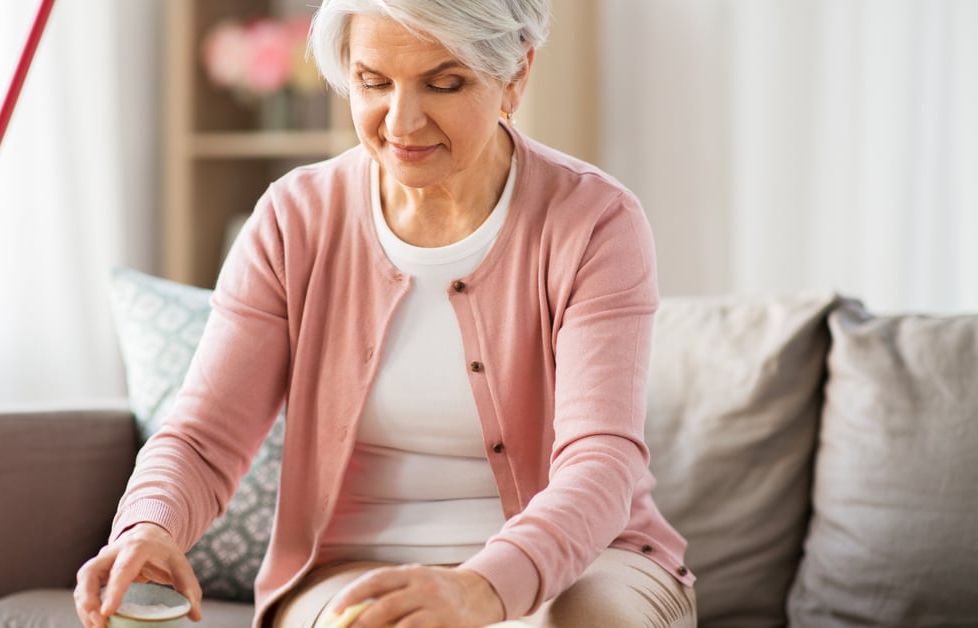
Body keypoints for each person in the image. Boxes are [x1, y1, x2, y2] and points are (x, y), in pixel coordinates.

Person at [75, 1, 697, 626]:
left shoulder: (594, 221)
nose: (402, 121)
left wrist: (481, 588)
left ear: (515, 76)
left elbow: (600, 460)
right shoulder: (294, 219)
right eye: (373, 82)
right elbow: (204, 439)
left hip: (588, 563)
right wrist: (147, 529)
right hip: (352, 567)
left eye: (444, 84)